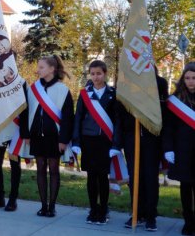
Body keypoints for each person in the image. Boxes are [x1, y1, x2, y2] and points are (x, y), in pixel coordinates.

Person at [112, 67, 168, 231]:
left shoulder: (159, 83)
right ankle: (137, 212)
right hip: (131, 137)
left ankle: (151, 215)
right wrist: (118, 141)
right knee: (135, 177)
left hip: (152, 139)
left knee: (150, 178)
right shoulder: (125, 85)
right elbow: (119, 114)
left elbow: (162, 111)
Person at [24, 55, 74, 217]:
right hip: (37, 136)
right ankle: (43, 205)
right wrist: (26, 133)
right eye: (38, 67)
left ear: (52, 69)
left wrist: (64, 140)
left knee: (53, 170)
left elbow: (68, 117)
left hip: (55, 138)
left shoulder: (62, 90)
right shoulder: (33, 88)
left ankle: (52, 206)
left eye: (41, 67)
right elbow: (26, 112)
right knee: (40, 169)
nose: (38, 70)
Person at [72, 60, 116, 224]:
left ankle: (103, 209)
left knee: (103, 176)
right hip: (88, 140)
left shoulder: (113, 94)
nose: (96, 77)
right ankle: (93, 209)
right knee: (91, 176)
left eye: (99, 73)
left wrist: (116, 144)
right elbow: (78, 118)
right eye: (93, 74)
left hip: (105, 141)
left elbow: (116, 120)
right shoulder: (85, 94)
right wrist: (76, 142)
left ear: (105, 74)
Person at [162, 62, 195, 235]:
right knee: (186, 186)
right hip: (183, 150)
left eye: (194, 78)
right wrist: (168, 148)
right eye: (188, 78)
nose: (191, 81)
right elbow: (168, 128)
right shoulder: (175, 100)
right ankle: (188, 221)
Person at [0, 81, 29, 211]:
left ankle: (13, 199)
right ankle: (0, 197)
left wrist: (25, 132)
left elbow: (25, 107)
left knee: (14, 164)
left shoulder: (21, 82)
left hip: (15, 130)